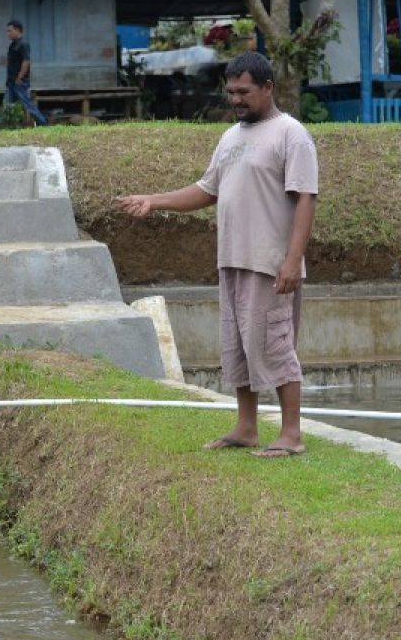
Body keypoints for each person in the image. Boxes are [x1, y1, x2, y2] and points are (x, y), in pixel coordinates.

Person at [114, 51, 318, 458]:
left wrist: (293, 260)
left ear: (268, 87)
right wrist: (153, 201)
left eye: (244, 92)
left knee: (274, 345)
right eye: (231, 92)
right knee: (238, 344)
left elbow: (305, 199)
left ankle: (291, 434)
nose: (236, 100)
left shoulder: (291, 134)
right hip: (232, 259)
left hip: (270, 263)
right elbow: (208, 190)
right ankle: (246, 427)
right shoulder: (230, 138)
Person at [5, 20, 47, 126]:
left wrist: (20, 77)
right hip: (11, 81)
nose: (8, 33)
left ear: (17, 30)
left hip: (19, 82)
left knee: (28, 104)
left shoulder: (23, 44)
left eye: (10, 31)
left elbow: (26, 61)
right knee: (8, 105)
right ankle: (10, 125)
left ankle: (43, 123)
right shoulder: (12, 45)